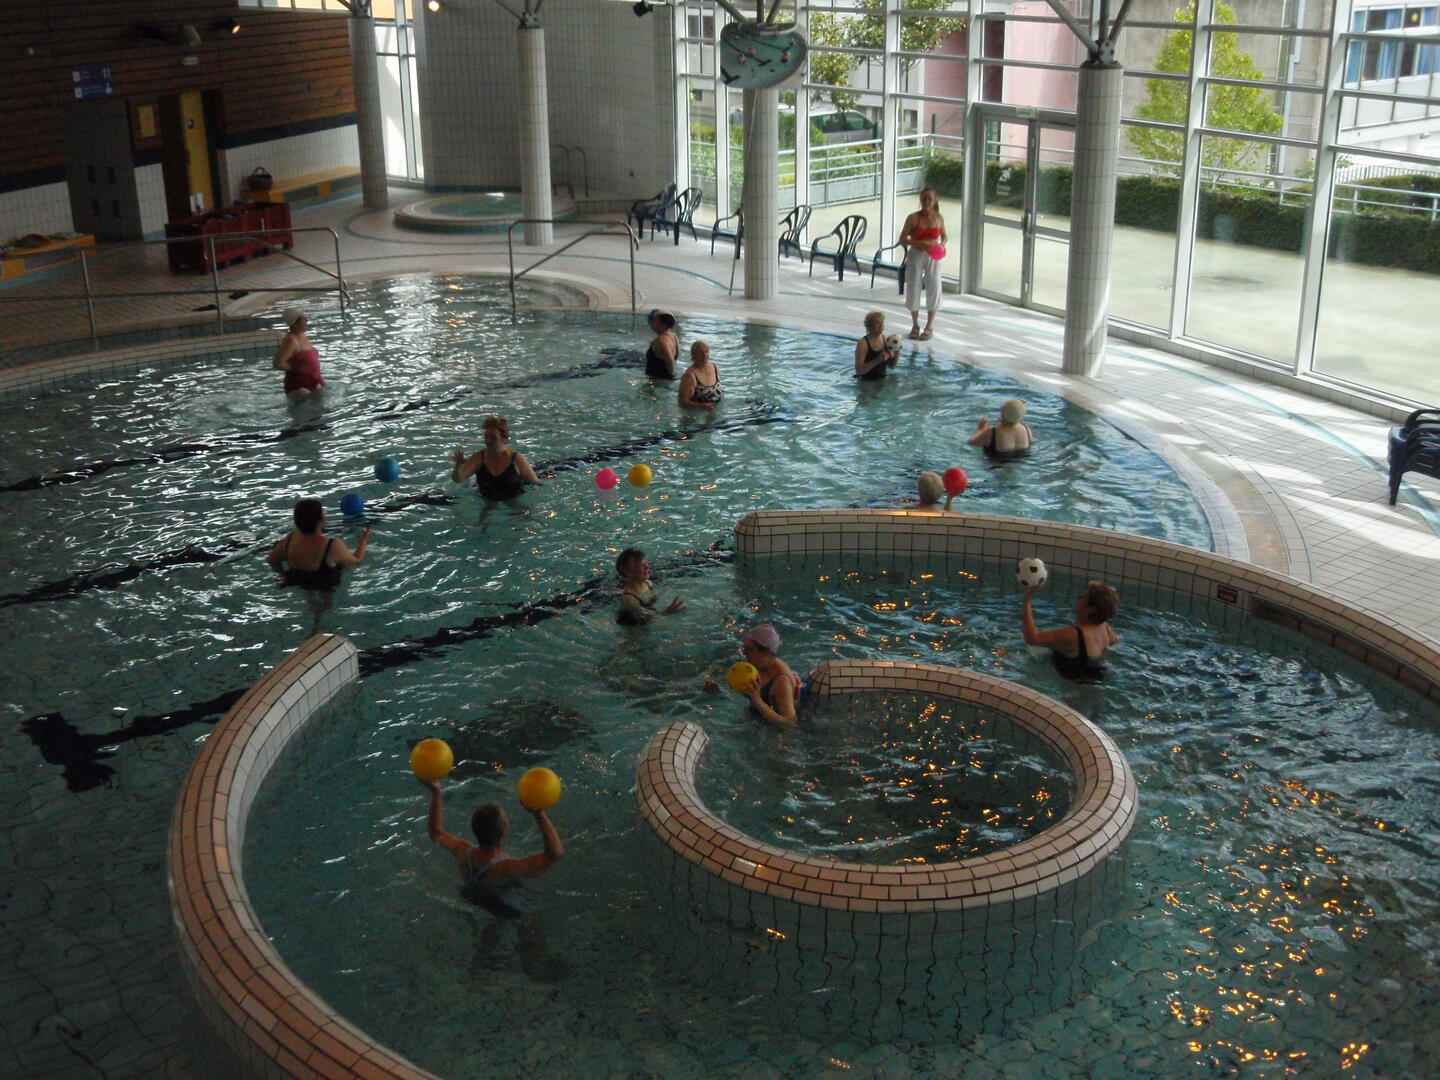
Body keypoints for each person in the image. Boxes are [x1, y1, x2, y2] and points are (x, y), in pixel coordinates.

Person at [422, 779, 563, 919]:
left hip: (471, 897)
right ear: (504, 831)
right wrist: (539, 814)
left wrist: (436, 792)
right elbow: (554, 854)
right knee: (531, 921)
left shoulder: (463, 851)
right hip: (504, 906)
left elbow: (436, 833)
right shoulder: (505, 867)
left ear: (473, 828)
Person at [1021, 580, 1120, 683]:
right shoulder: (1104, 626)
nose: (1078, 598)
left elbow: (1032, 638)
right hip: (1096, 678)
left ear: (1091, 609)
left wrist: (1027, 600)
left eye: (1083, 597)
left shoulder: (1073, 634)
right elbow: (1115, 641)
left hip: (1077, 691)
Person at [265, 498, 370, 589]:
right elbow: (356, 560)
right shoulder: (332, 545)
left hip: (296, 581)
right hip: (323, 586)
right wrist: (363, 540)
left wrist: (282, 575)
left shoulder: (290, 539)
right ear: (320, 520)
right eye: (323, 512)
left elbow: (271, 560)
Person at [897, 188, 948, 340]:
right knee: (913, 286)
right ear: (920, 200)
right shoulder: (913, 218)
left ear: (934, 201)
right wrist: (920, 242)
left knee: (934, 286)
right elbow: (902, 239)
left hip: (933, 255)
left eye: (929, 199)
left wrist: (941, 245)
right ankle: (915, 324)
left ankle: (930, 326)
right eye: (924, 199)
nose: (926, 202)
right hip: (916, 254)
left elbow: (945, 236)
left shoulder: (939, 217)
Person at [452, 415, 541, 499]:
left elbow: (535, 483)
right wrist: (458, 467)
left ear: (504, 439)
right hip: (488, 501)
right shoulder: (479, 458)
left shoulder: (516, 459)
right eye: (486, 436)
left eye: (493, 438)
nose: (488, 441)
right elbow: (459, 479)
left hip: (513, 499)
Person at [737, 623, 801, 727]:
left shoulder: (782, 681)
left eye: (749, 649)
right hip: (759, 717)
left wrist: (758, 702)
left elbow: (790, 723)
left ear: (767, 652)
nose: (744, 652)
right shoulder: (758, 664)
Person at [616, 548, 684, 625]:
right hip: (634, 631)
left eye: (646, 563)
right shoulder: (629, 598)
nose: (647, 568)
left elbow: (653, 604)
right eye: (640, 566)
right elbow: (648, 620)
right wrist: (667, 612)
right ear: (628, 571)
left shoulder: (648, 583)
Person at [272, 307, 324, 397]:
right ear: (295, 324)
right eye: (304, 318)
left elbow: (312, 364)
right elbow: (277, 363)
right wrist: (297, 368)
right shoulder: (291, 340)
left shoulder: (302, 336)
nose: (307, 320)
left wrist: (321, 382)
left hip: (313, 381)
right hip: (299, 387)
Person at [969, 398, 1033, 456]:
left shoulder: (992, 432)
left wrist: (980, 429)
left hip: (996, 465)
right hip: (1021, 462)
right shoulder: (1026, 429)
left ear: (1002, 415)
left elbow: (971, 442)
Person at [677, 340, 724, 409]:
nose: (704, 355)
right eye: (700, 352)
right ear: (694, 355)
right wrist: (702, 406)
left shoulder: (715, 368)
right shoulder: (689, 376)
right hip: (697, 415)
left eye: (706, 351)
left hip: (714, 411)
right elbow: (682, 401)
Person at [854, 311, 897, 381]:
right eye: (877, 323)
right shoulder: (863, 344)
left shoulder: (886, 340)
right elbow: (859, 371)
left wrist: (897, 350)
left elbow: (892, 366)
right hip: (865, 381)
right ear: (869, 326)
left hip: (882, 379)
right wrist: (876, 361)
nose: (881, 325)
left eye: (882, 322)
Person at [644, 309, 679, 380]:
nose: (651, 323)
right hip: (661, 378)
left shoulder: (662, 340)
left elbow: (670, 361)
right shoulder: (673, 336)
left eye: (655, 320)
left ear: (663, 323)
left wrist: (671, 377)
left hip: (656, 379)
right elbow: (676, 356)